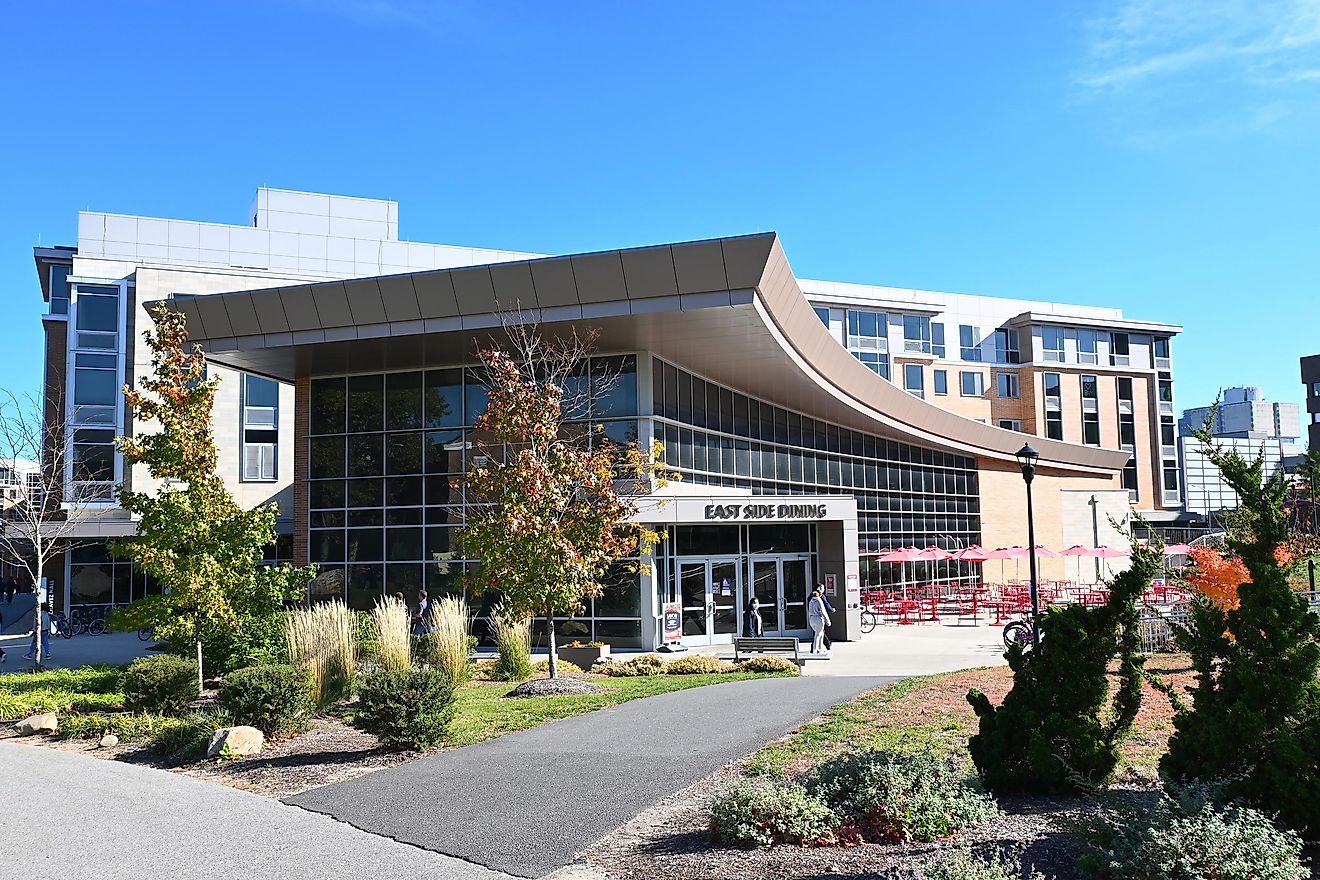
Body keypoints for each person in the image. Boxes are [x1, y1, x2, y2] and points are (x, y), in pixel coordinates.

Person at [807, 587, 831, 655]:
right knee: (818, 635)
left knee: (821, 634)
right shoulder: (819, 600)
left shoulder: (811, 601)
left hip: (812, 619)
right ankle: (815, 649)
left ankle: (820, 649)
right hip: (818, 619)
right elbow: (823, 611)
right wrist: (828, 621)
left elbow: (809, 611)